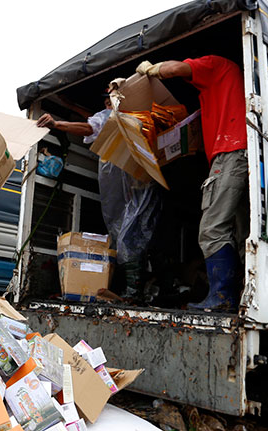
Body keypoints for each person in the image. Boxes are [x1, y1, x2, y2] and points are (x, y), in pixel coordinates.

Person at [135, 56, 247, 311]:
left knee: (211, 229)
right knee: (241, 233)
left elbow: (175, 68)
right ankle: (239, 296)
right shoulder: (227, 86)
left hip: (229, 151)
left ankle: (222, 299)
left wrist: (151, 70)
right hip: (239, 153)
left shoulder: (216, 65)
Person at [37, 88, 161, 300]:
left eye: (109, 100)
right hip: (143, 184)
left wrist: (57, 124)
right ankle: (136, 289)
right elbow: (94, 120)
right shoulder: (137, 117)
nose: (106, 105)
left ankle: (133, 292)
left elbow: (89, 127)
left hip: (129, 186)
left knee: (127, 236)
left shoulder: (115, 117)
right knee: (133, 234)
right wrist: (70, 107)